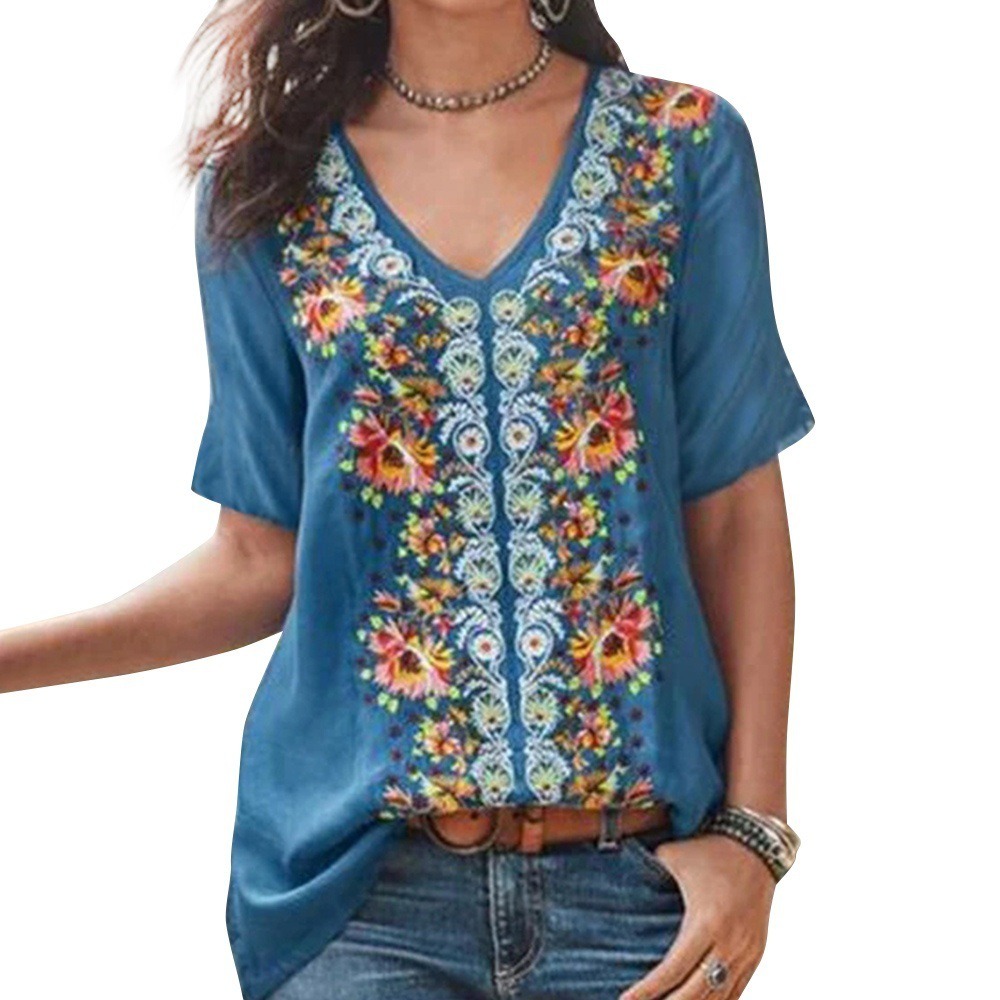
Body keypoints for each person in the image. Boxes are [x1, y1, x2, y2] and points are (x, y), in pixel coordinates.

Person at [0, 1, 815, 998]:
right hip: (361, 905)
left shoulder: (679, 149)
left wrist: (753, 834)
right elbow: (256, 558)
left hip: (634, 901)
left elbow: (732, 512)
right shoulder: (268, 187)